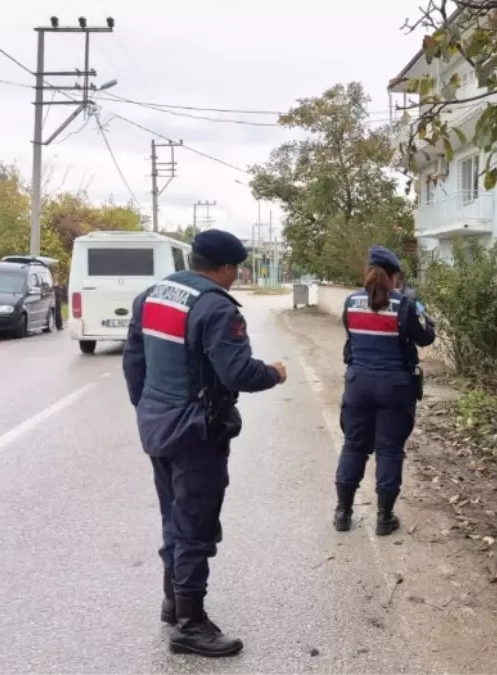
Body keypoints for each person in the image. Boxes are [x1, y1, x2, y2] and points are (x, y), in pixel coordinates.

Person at [121, 229, 287, 658]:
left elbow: (134, 359)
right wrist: (274, 372)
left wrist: (146, 406)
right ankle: (191, 625)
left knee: (172, 513)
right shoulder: (215, 307)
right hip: (196, 430)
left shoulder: (154, 295)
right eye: (238, 269)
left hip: (158, 424)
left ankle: (173, 601)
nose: (238, 275)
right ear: (227, 268)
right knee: (195, 523)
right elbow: (237, 374)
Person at [333, 246, 435, 536]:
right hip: (394, 388)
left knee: (353, 446)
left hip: (358, 385)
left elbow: (351, 336)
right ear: (392, 277)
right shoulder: (403, 305)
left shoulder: (350, 303)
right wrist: (424, 314)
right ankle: (383, 518)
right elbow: (425, 338)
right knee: (389, 450)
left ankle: (343, 513)